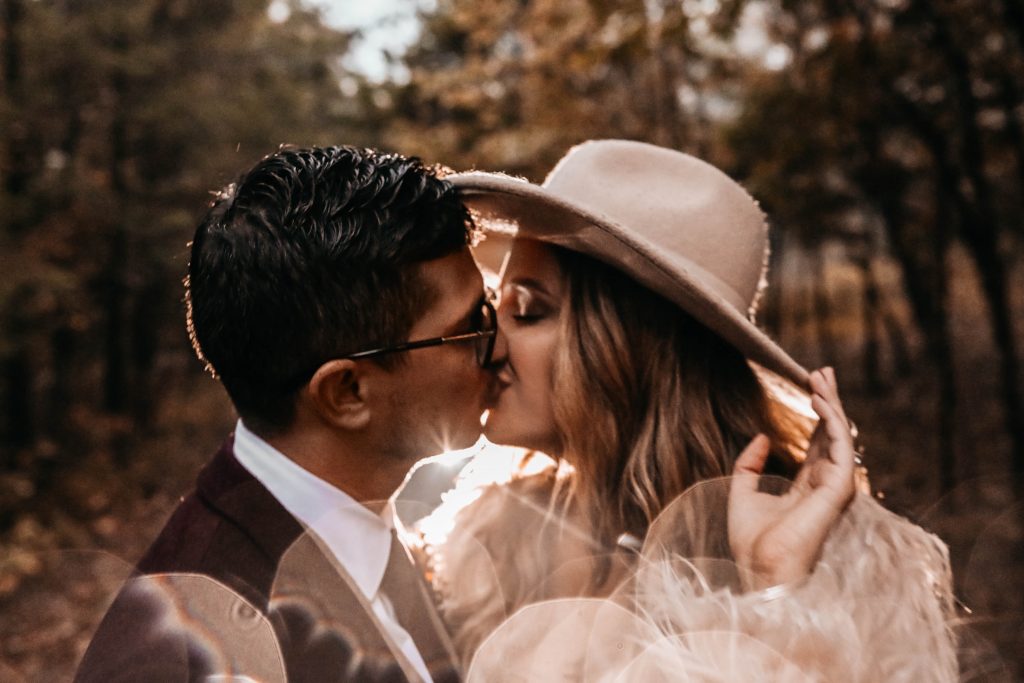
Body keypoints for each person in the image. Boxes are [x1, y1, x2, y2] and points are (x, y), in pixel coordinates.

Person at [425, 140, 957, 680]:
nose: (486, 344)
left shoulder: (834, 559)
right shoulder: (487, 543)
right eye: (498, 305)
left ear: (633, 348)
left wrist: (775, 589)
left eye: (529, 311)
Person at [75, 146, 496, 682]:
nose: (496, 344)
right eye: (473, 325)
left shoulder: (365, 524)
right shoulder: (190, 660)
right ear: (347, 392)